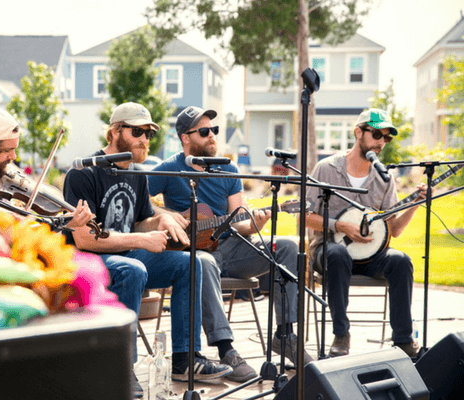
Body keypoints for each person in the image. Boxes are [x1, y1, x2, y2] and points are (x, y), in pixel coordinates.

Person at [62, 102, 232, 392]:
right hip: (91, 263)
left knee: (190, 262)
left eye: (149, 133)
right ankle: (120, 367)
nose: (144, 139)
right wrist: (142, 240)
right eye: (137, 131)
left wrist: (161, 219)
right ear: (114, 132)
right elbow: (84, 239)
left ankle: (185, 359)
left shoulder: (137, 174)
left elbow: (139, 222)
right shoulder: (84, 173)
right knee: (134, 268)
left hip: (127, 256)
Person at [148, 106, 313, 381]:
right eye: (204, 131)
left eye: (214, 130)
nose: (212, 135)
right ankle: (227, 350)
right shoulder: (168, 168)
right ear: (185, 138)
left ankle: (285, 335)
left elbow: (239, 222)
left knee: (288, 247)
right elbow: (141, 203)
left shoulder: (229, 169)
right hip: (194, 253)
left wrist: (256, 224)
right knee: (204, 261)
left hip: (231, 247)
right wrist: (169, 216)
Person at [305, 108, 429, 358]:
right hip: (327, 252)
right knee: (338, 253)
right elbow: (304, 216)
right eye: (376, 134)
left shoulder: (384, 178)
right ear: (358, 132)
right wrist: (340, 226)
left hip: (371, 255)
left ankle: (404, 341)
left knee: (401, 260)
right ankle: (342, 334)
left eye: (386, 137)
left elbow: (393, 229)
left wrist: (415, 204)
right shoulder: (326, 168)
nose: (381, 142)